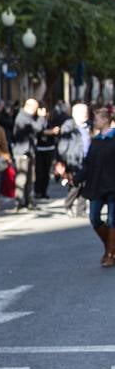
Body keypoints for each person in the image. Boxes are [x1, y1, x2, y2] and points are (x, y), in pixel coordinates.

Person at [74, 107, 115, 267]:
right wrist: (76, 178)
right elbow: (88, 165)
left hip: (113, 186)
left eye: (97, 119)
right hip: (97, 185)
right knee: (94, 218)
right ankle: (110, 246)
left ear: (105, 120)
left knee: (113, 220)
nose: (95, 121)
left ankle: (111, 254)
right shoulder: (96, 140)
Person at [11, 98, 48, 211]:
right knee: (22, 178)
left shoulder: (28, 117)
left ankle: (29, 201)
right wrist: (42, 117)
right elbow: (38, 128)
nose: (37, 111)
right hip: (22, 152)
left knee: (30, 178)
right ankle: (19, 201)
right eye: (36, 109)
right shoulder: (23, 118)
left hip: (29, 151)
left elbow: (40, 128)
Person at [56, 102, 91, 217]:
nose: (86, 115)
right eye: (83, 113)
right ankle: (68, 205)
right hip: (73, 160)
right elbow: (63, 144)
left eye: (86, 112)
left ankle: (81, 210)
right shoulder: (69, 125)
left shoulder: (88, 126)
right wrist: (63, 159)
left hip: (86, 159)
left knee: (85, 186)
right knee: (75, 185)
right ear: (75, 114)